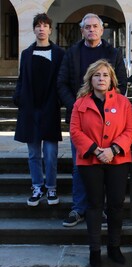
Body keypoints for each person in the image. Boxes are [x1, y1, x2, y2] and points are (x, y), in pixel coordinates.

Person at [57, 13, 128, 227]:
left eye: (95, 26)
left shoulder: (112, 53)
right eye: (87, 27)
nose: (91, 30)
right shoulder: (72, 53)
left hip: (109, 121)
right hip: (80, 120)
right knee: (81, 164)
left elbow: (121, 83)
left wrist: (110, 106)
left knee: (106, 164)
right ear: (82, 30)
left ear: (101, 29)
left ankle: (102, 209)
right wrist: (78, 107)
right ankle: (78, 208)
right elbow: (62, 83)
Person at [70, 59, 132, 267]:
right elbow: (75, 131)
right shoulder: (80, 102)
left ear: (111, 80)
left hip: (117, 160)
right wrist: (96, 150)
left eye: (105, 75)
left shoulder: (123, 102)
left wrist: (113, 149)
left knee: (116, 205)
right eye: (97, 75)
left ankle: (114, 247)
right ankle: (95, 249)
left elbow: (130, 130)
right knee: (94, 205)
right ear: (91, 78)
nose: (101, 78)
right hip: (90, 161)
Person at [13, 13, 65, 207]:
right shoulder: (26, 53)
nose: (41, 28)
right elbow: (21, 79)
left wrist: (58, 100)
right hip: (30, 109)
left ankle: (51, 187)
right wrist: (18, 97)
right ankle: (37, 186)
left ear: (50, 30)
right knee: (34, 154)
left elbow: (62, 80)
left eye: (45, 25)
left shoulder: (59, 53)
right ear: (34, 29)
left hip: (50, 109)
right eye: (38, 25)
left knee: (51, 154)